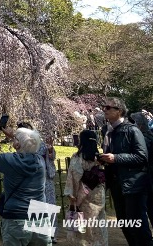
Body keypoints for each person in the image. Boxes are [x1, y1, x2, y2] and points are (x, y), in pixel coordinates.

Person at [0, 121, 50, 246]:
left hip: (16, 218)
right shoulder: (40, 162)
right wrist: (18, 138)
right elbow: (34, 143)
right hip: (40, 217)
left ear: (17, 145)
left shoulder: (10, 161)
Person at [99, 97, 151, 246]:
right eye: (104, 107)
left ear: (119, 111)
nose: (104, 110)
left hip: (133, 185)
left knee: (137, 225)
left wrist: (115, 158)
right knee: (124, 223)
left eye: (108, 107)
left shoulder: (132, 130)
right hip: (117, 185)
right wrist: (103, 159)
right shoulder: (108, 131)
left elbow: (142, 157)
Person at [63, 130, 108, 246]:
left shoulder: (78, 157)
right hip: (98, 192)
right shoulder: (100, 158)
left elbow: (74, 175)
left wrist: (71, 194)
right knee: (98, 222)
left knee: (84, 225)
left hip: (82, 194)